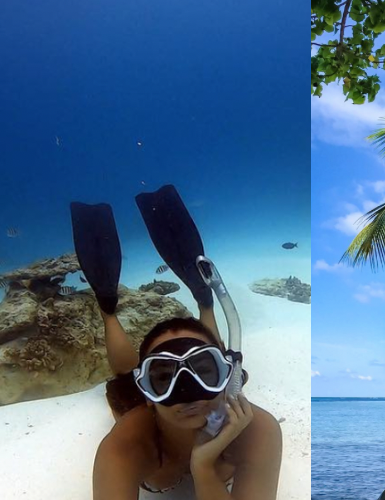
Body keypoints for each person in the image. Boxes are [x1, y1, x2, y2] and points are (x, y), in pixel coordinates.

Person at [71, 185, 281, 499]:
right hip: (145, 411)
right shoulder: (126, 445)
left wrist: (205, 469)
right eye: (162, 378)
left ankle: (204, 305)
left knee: (193, 354)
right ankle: (108, 309)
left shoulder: (257, 431)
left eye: (204, 372)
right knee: (125, 381)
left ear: (227, 375)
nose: (185, 391)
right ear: (149, 394)